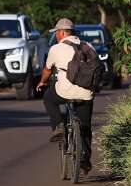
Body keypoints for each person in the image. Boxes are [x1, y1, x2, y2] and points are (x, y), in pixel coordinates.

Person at [36, 18, 94, 174]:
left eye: (56, 33)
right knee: (86, 127)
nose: (56, 36)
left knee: (48, 97)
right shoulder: (88, 46)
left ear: (61, 33)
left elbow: (48, 70)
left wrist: (42, 82)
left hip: (64, 91)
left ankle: (59, 126)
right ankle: (85, 160)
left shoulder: (56, 48)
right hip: (86, 93)